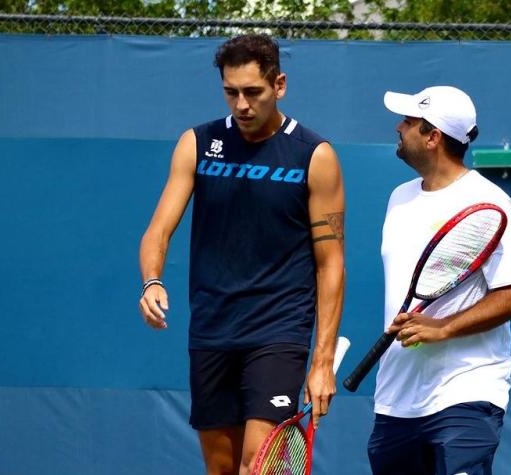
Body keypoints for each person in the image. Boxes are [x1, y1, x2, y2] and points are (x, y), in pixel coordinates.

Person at [137, 34, 345, 475]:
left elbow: (331, 264)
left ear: (280, 85)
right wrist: (152, 279)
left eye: (253, 92)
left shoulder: (315, 156)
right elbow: (158, 231)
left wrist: (322, 361)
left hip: (278, 329)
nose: (242, 104)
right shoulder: (197, 143)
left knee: (259, 465)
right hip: (212, 329)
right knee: (222, 468)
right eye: (231, 92)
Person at [367, 86, 511, 475]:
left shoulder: (492, 203)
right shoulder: (399, 198)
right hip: (396, 398)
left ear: (432, 137)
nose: (398, 127)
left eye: (408, 122)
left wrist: (442, 327)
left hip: (466, 392)